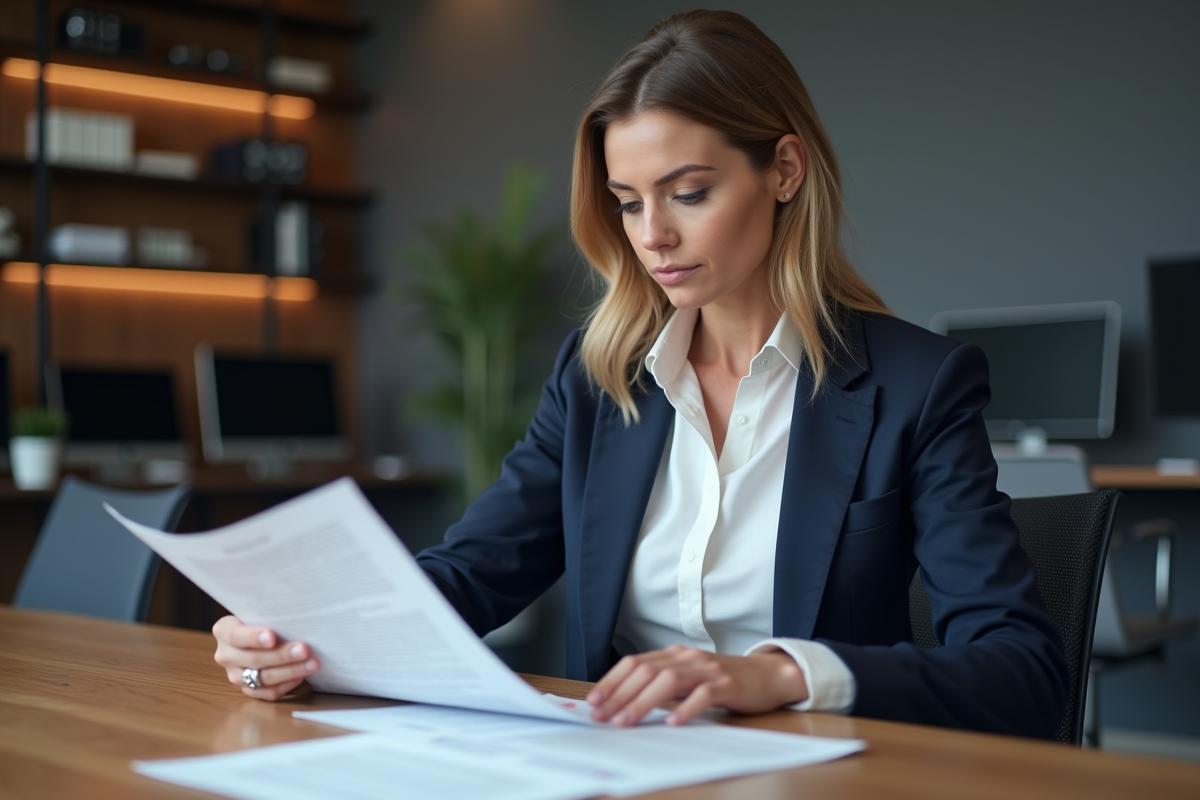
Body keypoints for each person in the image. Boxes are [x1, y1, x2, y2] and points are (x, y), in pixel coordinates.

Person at [212, 9, 1069, 739]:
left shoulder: (919, 383)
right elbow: (473, 572)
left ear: (783, 170)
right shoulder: (599, 376)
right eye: (628, 201)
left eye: (688, 193)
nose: (652, 234)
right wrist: (300, 640)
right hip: (619, 764)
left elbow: (1021, 673)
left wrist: (779, 675)